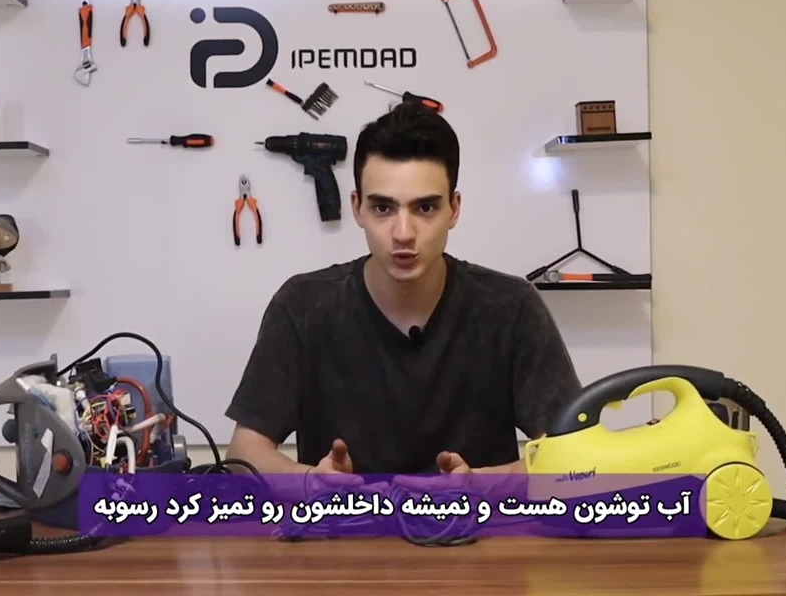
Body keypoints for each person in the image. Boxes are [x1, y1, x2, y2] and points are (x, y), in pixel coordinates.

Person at [224, 102, 583, 477]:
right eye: (383, 208)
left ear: (454, 209)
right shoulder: (302, 306)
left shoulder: (512, 307)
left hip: (480, 516)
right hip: (343, 516)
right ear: (357, 208)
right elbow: (244, 454)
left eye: (425, 208)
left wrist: (484, 485)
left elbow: (574, 454)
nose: (403, 233)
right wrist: (311, 482)